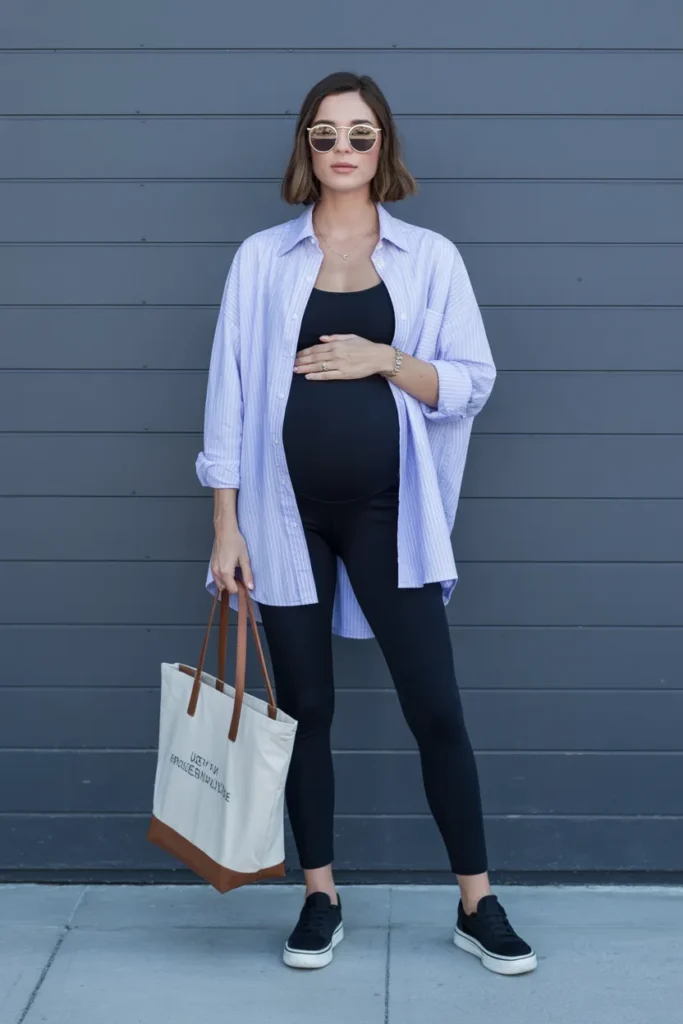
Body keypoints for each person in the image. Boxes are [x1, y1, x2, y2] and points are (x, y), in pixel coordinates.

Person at [195, 71, 537, 976]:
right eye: (324, 135)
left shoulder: (429, 259)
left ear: (382, 146)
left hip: (392, 514)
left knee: (436, 709)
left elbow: (471, 382)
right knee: (307, 710)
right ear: (304, 151)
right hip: (280, 516)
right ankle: (319, 895)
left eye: (359, 134)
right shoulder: (261, 260)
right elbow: (227, 394)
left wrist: (385, 358)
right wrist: (226, 525)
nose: (342, 150)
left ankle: (478, 903)